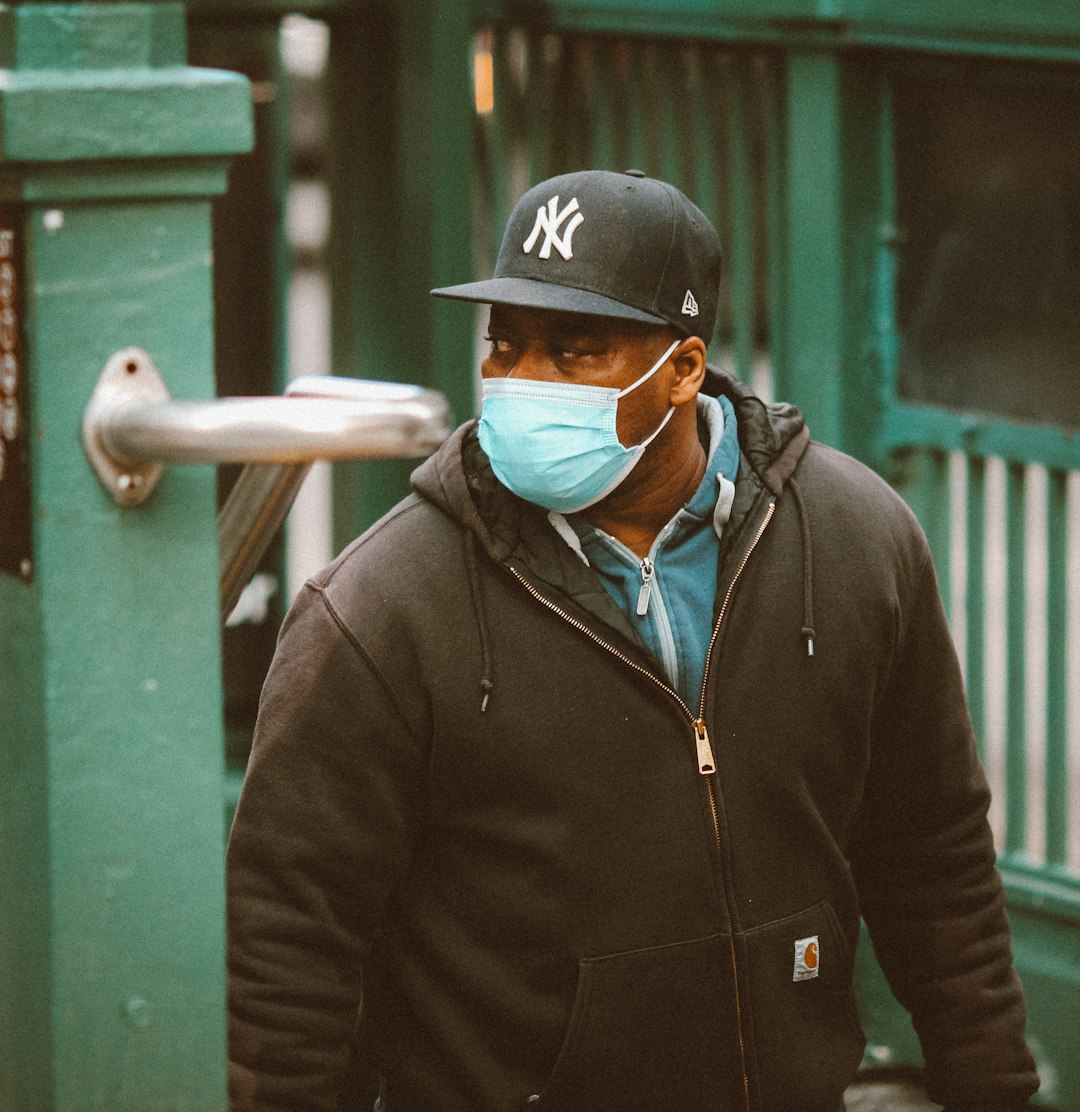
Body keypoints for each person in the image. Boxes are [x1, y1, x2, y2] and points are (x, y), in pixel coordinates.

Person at [226, 169, 1038, 1112]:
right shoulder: (380, 608)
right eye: (507, 348)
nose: (524, 385)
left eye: (574, 352)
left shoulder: (857, 539)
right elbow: (290, 949)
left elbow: (933, 855)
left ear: (684, 370)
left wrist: (996, 1091)